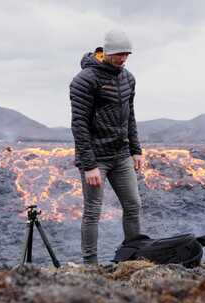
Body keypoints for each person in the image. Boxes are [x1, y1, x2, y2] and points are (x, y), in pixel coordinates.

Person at [69, 29, 143, 265]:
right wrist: (89, 165)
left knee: (133, 205)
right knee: (93, 212)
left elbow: (129, 116)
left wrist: (136, 149)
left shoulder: (128, 78)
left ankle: (132, 257)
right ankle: (90, 265)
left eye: (127, 55)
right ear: (107, 51)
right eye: (119, 54)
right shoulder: (84, 80)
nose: (123, 59)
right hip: (95, 159)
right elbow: (79, 124)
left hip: (120, 155)